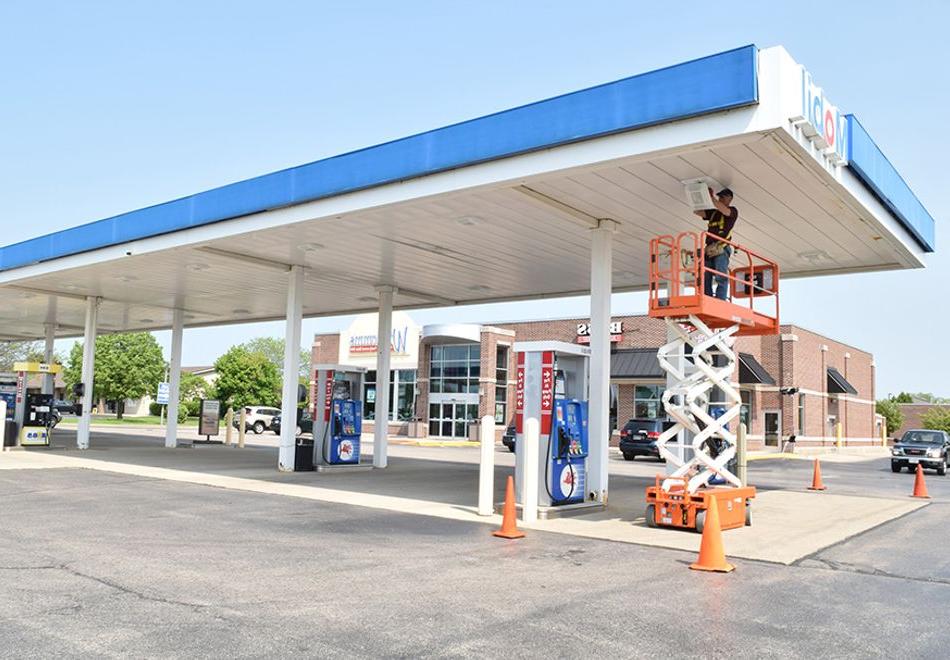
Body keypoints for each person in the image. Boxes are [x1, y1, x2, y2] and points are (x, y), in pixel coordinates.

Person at [693, 187, 738, 300]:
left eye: (722, 197)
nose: (720, 199)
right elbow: (697, 212)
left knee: (720, 275)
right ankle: (707, 298)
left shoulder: (733, 211)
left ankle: (720, 299)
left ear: (730, 199)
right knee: (705, 276)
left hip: (721, 249)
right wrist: (700, 198)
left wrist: (711, 198)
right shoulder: (713, 213)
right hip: (709, 249)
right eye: (719, 197)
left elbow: (725, 211)